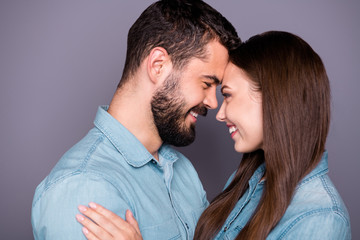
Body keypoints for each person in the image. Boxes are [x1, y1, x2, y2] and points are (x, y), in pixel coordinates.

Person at [75, 31, 351, 239]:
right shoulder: (246, 181)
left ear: (273, 98)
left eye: (228, 95)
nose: (219, 113)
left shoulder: (320, 218)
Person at [31, 0, 239, 239]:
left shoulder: (183, 172)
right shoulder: (82, 187)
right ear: (158, 65)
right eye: (206, 83)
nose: (214, 103)